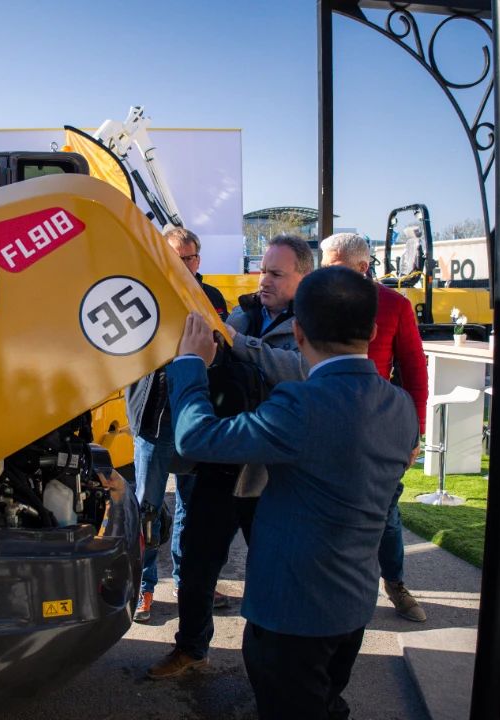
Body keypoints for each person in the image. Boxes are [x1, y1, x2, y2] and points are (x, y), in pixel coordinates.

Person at [167, 266, 418, 719]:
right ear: (373, 331)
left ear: (298, 332)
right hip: (353, 605)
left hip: (291, 614)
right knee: (326, 701)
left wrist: (190, 364)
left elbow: (196, 437)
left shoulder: (302, 405)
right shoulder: (399, 405)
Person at [148, 234, 311, 678]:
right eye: (262, 270)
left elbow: (301, 371)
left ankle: (274, 666)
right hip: (220, 464)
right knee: (197, 564)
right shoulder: (242, 313)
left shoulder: (310, 325)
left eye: (276, 273)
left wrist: (237, 343)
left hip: (272, 476)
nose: (264, 280)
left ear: (303, 276)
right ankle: (191, 648)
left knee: (272, 574)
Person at [320, 232, 428, 622]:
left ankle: (394, 582)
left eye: (333, 266)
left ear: (362, 267)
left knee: (386, 514)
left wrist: (414, 432)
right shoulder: (316, 300)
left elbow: (415, 371)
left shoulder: (394, 306)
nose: (325, 273)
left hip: (377, 431)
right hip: (324, 425)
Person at [124, 227, 228, 623]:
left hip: (196, 420)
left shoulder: (212, 298)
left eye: (190, 257)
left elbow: (224, 356)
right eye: (177, 258)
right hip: (154, 419)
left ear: (199, 259)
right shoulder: (141, 294)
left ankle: (188, 583)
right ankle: (143, 586)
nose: (185, 265)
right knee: (147, 509)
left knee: (192, 509)